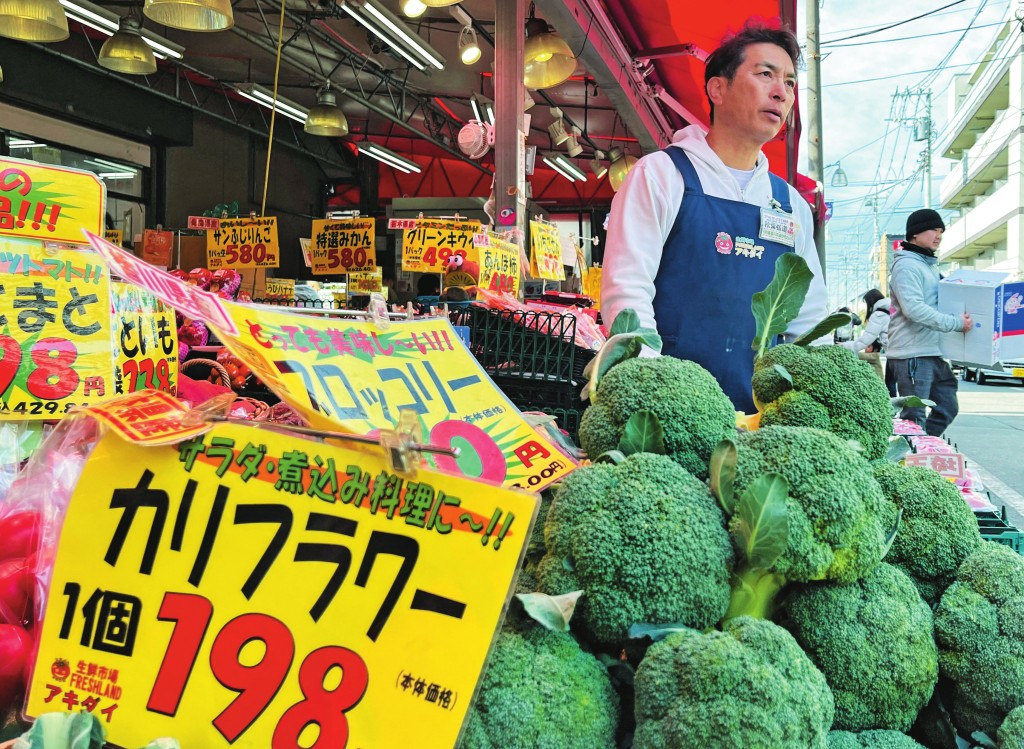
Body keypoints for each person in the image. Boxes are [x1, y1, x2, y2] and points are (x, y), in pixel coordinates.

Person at [601, 22, 829, 413]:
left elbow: (809, 319)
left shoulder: (789, 203)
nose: (781, 92)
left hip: (762, 422)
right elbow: (627, 293)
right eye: (765, 74)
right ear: (717, 89)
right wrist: (658, 389)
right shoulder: (661, 175)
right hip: (668, 411)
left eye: (790, 82)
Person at [887, 209, 973, 436]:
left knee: (947, 407)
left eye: (941, 231)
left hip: (933, 350)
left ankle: (925, 447)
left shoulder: (929, 266)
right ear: (915, 233)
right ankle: (912, 453)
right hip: (912, 354)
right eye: (934, 229)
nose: (939, 235)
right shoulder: (906, 265)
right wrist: (956, 323)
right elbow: (913, 309)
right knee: (914, 418)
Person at [841, 288, 894, 394]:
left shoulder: (878, 315)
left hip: (894, 353)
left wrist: (843, 346)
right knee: (892, 386)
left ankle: (890, 405)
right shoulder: (891, 310)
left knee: (890, 387)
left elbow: (864, 341)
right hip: (900, 351)